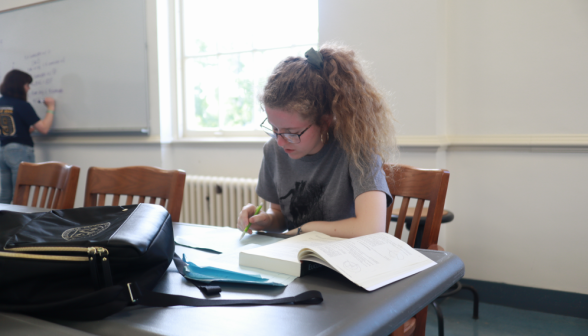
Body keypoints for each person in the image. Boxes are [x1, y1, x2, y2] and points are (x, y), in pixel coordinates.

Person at [237, 44, 396, 239]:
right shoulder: (274, 150)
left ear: (324, 121)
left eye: (291, 132)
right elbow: (280, 215)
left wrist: (307, 229)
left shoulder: (356, 148)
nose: (280, 141)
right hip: (297, 260)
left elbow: (372, 228)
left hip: (348, 261)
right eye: (274, 129)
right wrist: (267, 220)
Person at [0, 69, 55, 203]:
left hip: (3, 150)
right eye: (27, 85)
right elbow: (43, 128)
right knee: (21, 195)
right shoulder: (21, 105)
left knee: (5, 195)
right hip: (19, 150)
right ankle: (18, 223)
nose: (28, 88)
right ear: (20, 86)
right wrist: (51, 107)